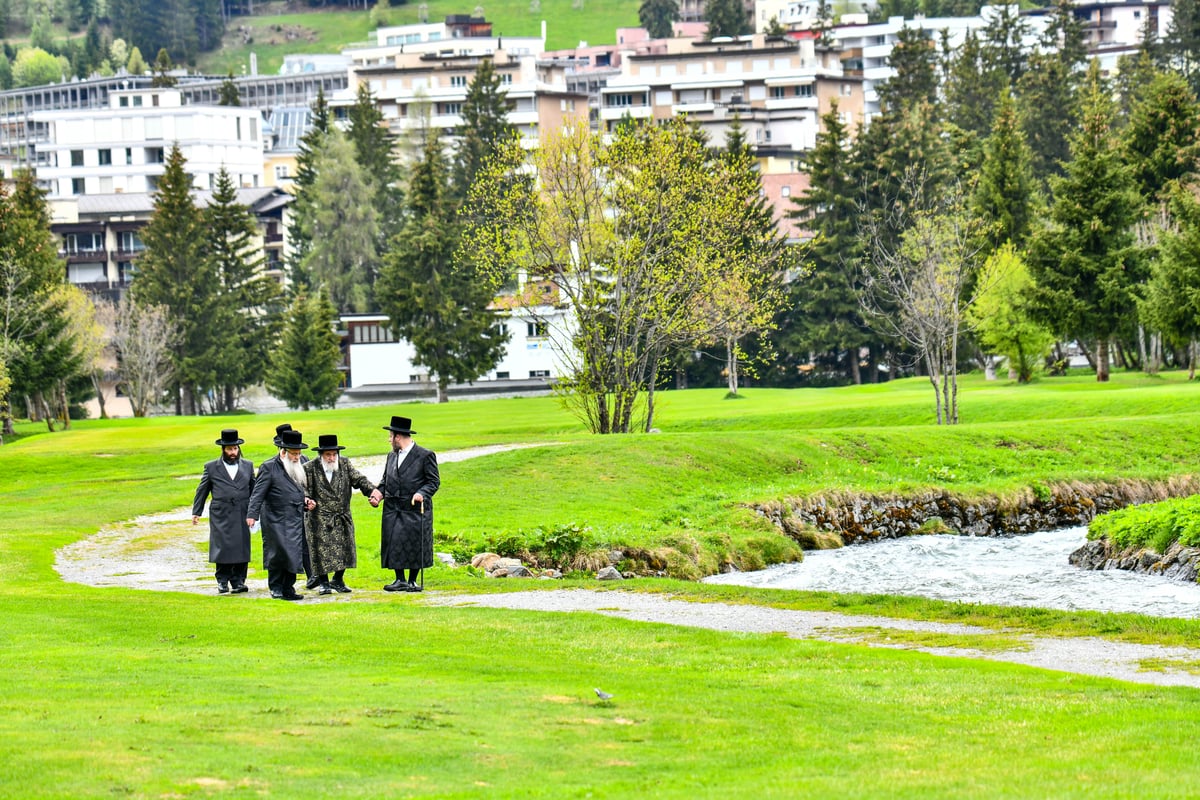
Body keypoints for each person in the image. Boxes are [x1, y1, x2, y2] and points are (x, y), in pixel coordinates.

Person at [303, 434, 382, 594]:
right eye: (328, 455)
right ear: (321, 455)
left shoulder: (344, 463)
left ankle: (338, 579)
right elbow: (302, 488)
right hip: (319, 517)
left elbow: (359, 479)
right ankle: (324, 582)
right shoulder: (309, 468)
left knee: (346, 548)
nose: (332, 458)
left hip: (342, 514)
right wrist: (306, 500)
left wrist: (373, 491)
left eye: (334, 454)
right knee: (320, 550)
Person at [247, 429, 316, 601]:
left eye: (299, 453)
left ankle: (288, 588)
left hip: (295, 517)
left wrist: (307, 500)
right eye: (293, 453)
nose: (296, 457)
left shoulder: (298, 466)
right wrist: (252, 514)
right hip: (275, 518)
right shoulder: (269, 467)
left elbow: (301, 491)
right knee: (277, 554)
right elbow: (258, 493)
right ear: (283, 452)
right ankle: (276, 587)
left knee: (294, 554)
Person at [191, 429, 255, 595]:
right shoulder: (212, 467)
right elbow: (202, 490)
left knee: (241, 546)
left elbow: (255, 489)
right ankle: (222, 580)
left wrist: (256, 511)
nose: (233, 452)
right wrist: (197, 512)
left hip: (242, 511)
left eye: (235, 449)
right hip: (221, 513)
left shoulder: (247, 466)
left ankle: (239, 580)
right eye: (229, 449)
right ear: (223, 450)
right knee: (223, 546)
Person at [380, 415, 439, 593]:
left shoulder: (425, 455)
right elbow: (385, 480)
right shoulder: (391, 456)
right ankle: (400, 580)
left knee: (414, 542)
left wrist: (422, 493)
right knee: (394, 541)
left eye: (391, 436)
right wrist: (377, 494)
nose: (389, 440)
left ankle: (413, 580)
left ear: (398, 436)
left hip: (414, 508)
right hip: (393, 507)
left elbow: (433, 482)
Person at [270, 423, 316, 587]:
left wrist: (308, 499)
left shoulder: (303, 460)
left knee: (307, 541)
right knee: (294, 544)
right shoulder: (272, 465)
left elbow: (309, 483)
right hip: (285, 513)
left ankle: (313, 575)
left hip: (303, 507)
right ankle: (285, 581)